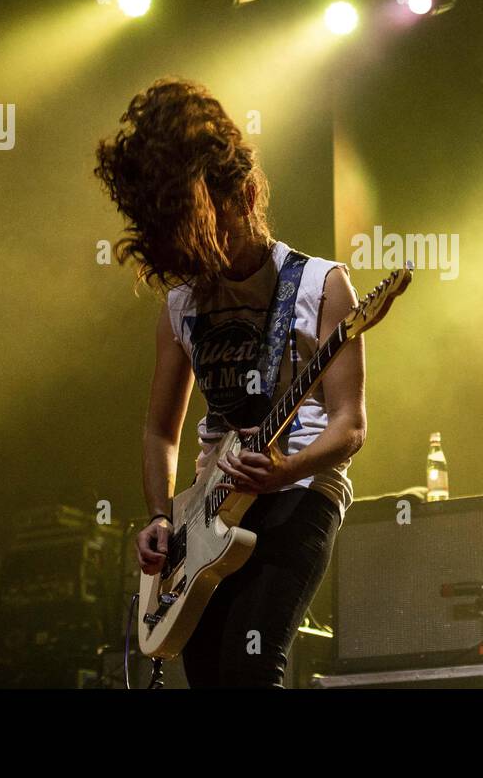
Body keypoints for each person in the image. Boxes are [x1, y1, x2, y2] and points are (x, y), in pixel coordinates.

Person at [95, 77, 366, 686]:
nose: (200, 255)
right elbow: (159, 430)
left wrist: (285, 471)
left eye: (209, 227)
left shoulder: (322, 285)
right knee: (209, 676)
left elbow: (350, 426)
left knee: (251, 667)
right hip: (207, 510)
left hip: (302, 489)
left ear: (245, 196)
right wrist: (162, 517)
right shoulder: (182, 304)